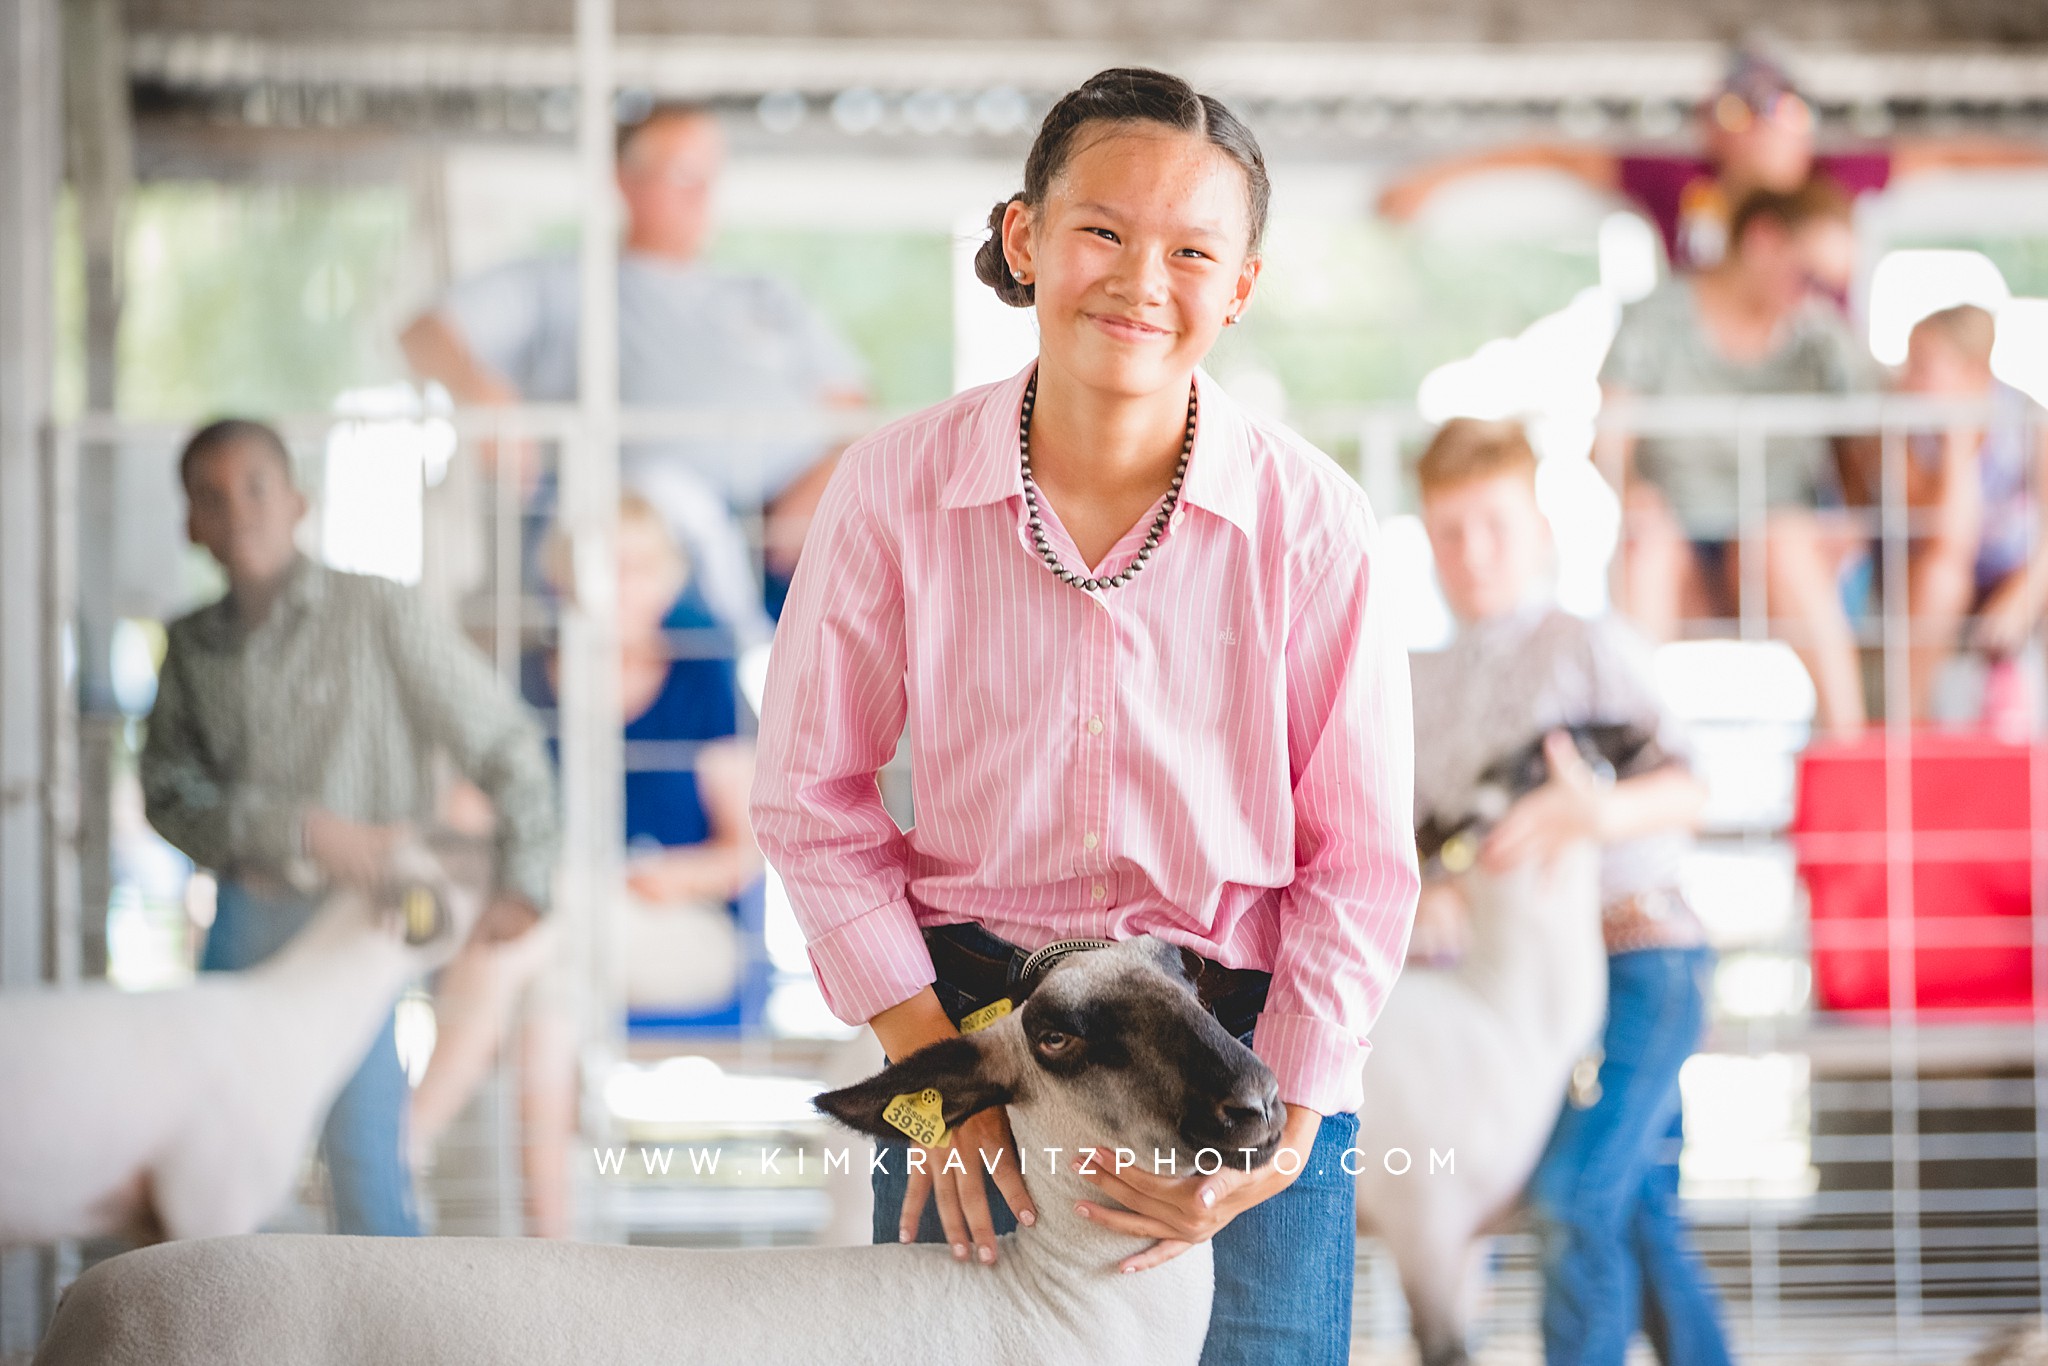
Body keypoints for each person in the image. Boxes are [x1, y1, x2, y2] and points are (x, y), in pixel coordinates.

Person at [751, 68, 1418, 1365]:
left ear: (1240, 288)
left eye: (1191, 251)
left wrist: (1277, 1145)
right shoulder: (891, 490)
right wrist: (939, 1086)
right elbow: (808, 799)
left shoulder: (1311, 520)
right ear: (1024, 238)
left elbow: (1362, 863)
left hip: (1244, 1042)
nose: (1141, 279)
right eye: (1103, 231)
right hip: (976, 1041)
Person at [140, 418, 557, 1237]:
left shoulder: (378, 612)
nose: (240, 511)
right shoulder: (190, 646)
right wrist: (297, 829)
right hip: (244, 916)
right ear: (191, 523)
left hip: (360, 924)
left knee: (365, 1150)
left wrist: (526, 876)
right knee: (219, 1149)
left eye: (258, 487)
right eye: (211, 497)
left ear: (299, 500)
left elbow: (505, 740)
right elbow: (165, 793)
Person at [1409, 417, 1730, 1366]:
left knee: (1571, 1196)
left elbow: (1689, 786)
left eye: (1495, 525)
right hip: (1509, 988)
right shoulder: (1422, 688)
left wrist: (1592, 815)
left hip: (1639, 958)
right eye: (1449, 531)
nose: (1473, 554)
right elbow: (1434, 850)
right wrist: (1439, 888)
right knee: (1633, 1213)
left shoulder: (1589, 646)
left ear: (1542, 527)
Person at [407, 493, 763, 1237]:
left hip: (679, 930)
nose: (619, 585)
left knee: (549, 909)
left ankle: (408, 1139)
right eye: (602, 567)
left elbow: (747, 853)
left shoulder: (703, 683)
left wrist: (670, 877)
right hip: (554, 934)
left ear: (667, 579)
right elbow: (463, 819)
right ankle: (554, 1244)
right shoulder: (525, 682)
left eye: (638, 567)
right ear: (564, 577)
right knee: (549, 984)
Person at [400, 101, 869, 637]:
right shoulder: (558, 283)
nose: (702, 193)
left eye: (710, 174)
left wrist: (825, 483)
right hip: (634, 542)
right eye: (682, 173)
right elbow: (422, 333)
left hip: (782, 541)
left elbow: (852, 410)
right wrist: (484, 395)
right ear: (625, 181)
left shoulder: (768, 293)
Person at [1379, 43, 2046, 293]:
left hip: (1814, 407)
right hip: (1704, 407)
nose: (1758, 127)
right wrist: (1433, 180)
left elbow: (1957, 153)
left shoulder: (1837, 176)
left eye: (1778, 108)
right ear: (1709, 128)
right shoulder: (1682, 185)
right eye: (1736, 112)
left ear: (1807, 124)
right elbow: (1559, 151)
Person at [1600, 178, 1873, 738]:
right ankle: (1637, 749)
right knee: (1645, 548)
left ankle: (1850, 749)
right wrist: (1631, 491)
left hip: (1776, 547)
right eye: (1809, 276)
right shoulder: (1657, 318)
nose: (1818, 295)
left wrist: (1853, 516)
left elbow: (1864, 444)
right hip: (1676, 537)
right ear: (1762, 241)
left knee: (1782, 541)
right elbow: (1608, 438)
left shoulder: (1821, 336)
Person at [1851, 305, 2048, 724]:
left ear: (1975, 373)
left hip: (2016, 574)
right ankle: (1909, 727)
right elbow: (1951, 539)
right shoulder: (1903, 433)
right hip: (1934, 570)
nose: (1907, 379)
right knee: (1943, 576)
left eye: (1923, 365)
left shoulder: (2029, 421)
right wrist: (1958, 446)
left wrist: (2023, 595)